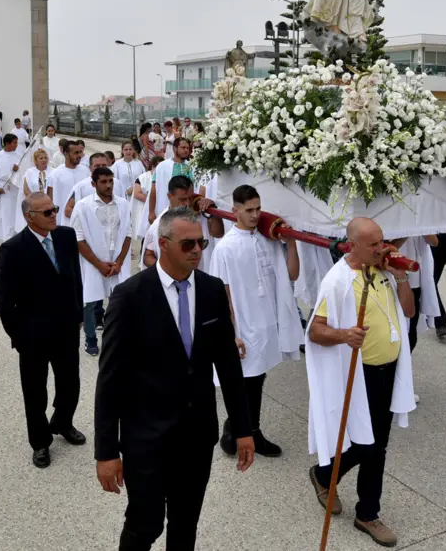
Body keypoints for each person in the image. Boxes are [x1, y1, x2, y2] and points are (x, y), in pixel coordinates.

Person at [95, 206, 254, 551]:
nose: (197, 250)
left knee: (186, 524)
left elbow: (228, 365)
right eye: (187, 244)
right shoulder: (130, 296)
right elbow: (109, 381)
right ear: (163, 245)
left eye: (201, 243)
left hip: (196, 437)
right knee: (145, 523)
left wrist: (243, 428)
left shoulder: (212, 291)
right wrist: (106, 451)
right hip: (146, 438)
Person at [305, 218, 415, 548]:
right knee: (368, 445)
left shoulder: (382, 270)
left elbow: (408, 311)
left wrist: (402, 277)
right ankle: (332, 482)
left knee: (377, 446)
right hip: (359, 375)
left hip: (389, 369)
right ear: (352, 245)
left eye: (382, 241)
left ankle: (360, 507)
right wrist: (343, 335)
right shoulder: (337, 281)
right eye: (373, 244)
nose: (381, 248)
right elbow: (314, 331)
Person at [0, 191, 87, 467]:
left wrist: (78, 313)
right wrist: (19, 336)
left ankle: (62, 421)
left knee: (70, 384)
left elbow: (75, 278)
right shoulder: (13, 249)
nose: (53, 215)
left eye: (54, 209)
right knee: (35, 392)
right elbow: (3, 300)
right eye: (46, 212)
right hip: (33, 335)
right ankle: (40, 442)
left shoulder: (66, 237)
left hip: (67, 328)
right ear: (29, 217)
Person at [210, 185, 302, 458]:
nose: (254, 215)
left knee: (258, 378)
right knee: (245, 381)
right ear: (234, 210)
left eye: (258, 209)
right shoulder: (225, 248)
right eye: (248, 210)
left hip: (266, 322)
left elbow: (292, 275)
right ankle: (247, 431)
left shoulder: (269, 240)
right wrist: (232, 333)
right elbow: (222, 293)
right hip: (243, 324)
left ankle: (240, 428)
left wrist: (293, 241)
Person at [71, 167, 133, 358]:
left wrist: (120, 262)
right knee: (90, 301)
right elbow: (78, 239)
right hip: (92, 262)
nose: (108, 185)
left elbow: (128, 234)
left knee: (119, 301)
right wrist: (99, 264)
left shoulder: (123, 204)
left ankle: (116, 338)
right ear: (93, 184)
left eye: (110, 181)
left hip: (117, 263)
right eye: (103, 182)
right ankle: (90, 338)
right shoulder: (82, 206)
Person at [142, 176, 221, 272]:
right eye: (182, 199)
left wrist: (213, 210)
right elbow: (147, 256)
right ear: (169, 197)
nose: (187, 203)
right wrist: (167, 269)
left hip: (203, 278)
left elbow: (218, 233)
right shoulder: (158, 225)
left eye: (190, 198)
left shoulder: (202, 213)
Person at [148, 137, 196, 226]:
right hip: (167, 209)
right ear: (174, 148)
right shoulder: (162, 166)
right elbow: (154, 189)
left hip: (187, 211)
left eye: (187, 148)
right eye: (183, 148)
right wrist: (151, 212)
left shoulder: (193, 166)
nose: (186, 150)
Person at [0, 134, 23, 241]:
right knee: (5, 213)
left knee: (16, 213)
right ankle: (7, 238)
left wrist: (18, 169)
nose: (16, 145)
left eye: (17, 143)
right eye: (14, 143)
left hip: (16, 187)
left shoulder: (19, 155)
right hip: (3, 188)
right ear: (7, 143)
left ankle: (16, 236)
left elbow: (24, 171)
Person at [48, 140, 88, 226]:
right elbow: (49, 199)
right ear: (65, 153)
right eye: (76, 153)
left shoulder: (86, 171)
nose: (79, 156)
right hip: (61, 222)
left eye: (80, 152)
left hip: (83, 220)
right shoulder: (55, 175)